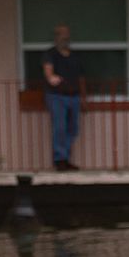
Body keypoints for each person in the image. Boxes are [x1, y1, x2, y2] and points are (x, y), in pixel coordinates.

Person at [41, 24, 83, 171]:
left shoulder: (74, 55)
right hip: (56, 96)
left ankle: (65, 157)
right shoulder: (50, 54)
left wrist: (84, 97)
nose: (64, 37)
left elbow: (80, 77)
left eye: (66, 34)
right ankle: (60, 159)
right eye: (61, 34)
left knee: (73, 129)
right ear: (56, 37)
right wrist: (51, 77)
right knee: (60, 127)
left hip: (74, 96)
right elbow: (48, 70)